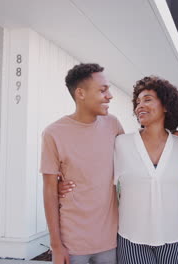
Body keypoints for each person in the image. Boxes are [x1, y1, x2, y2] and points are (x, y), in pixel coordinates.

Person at [40, 63, 123, 264]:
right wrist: (56, 246)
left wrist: (169, 138)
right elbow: (50, 192)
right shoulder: (53, 133)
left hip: (110, 241)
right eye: (103, 90)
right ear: (81, 93)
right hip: (72, 244)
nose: (110, 95)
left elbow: (138, 159)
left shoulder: (113, 124)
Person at [113, 76, 178, 264]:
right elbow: (103, 181)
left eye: (147, 99)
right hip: (131, 238)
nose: (140, 106)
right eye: (137, 102)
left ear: (165, 105)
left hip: (174, 238)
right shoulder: (121, 143)